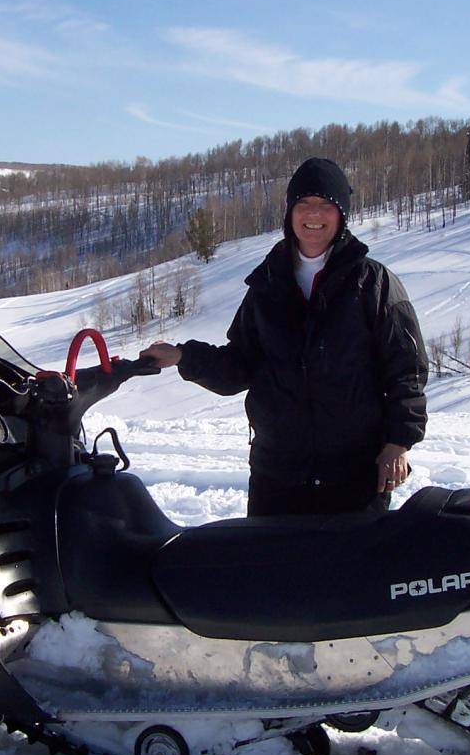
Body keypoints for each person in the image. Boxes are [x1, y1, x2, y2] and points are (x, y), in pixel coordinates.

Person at [142, 157, 428, 517]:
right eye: (304, 203)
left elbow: (407, 371)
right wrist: (184, 357)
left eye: (326, 205)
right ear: (290, 212)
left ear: (341, 214)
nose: (314, 215)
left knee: (348, 573)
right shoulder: (267, 285)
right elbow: (239, 366)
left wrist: (399, 441)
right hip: (277, 477)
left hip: (353, 477)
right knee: (273, 573)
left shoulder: (373, 284)